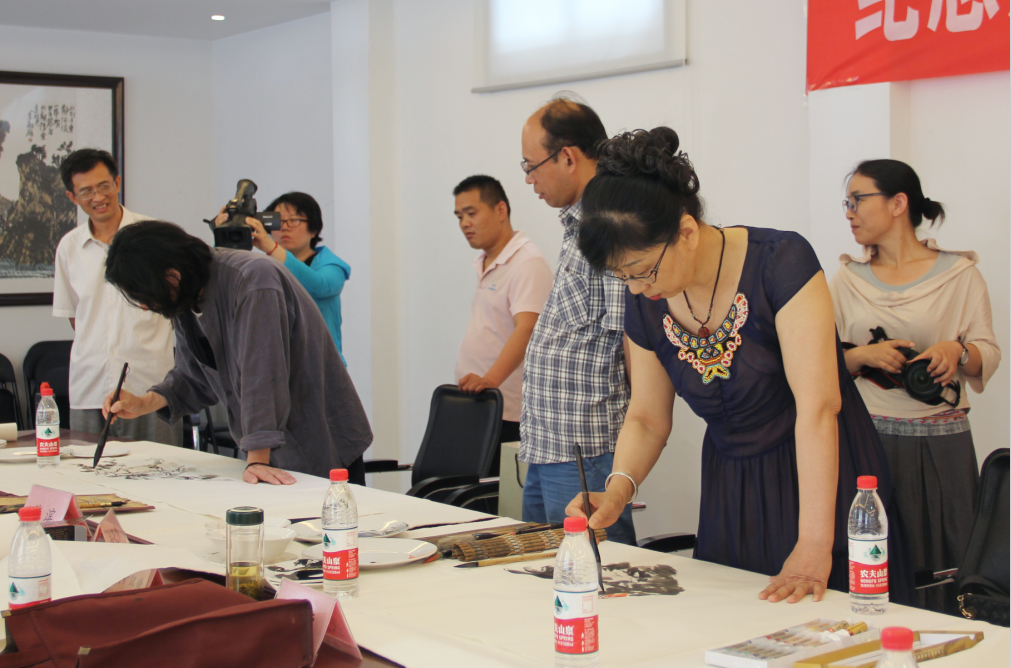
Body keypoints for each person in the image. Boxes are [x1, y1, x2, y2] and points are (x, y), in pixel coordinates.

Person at [567, 127, 913, 604]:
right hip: (733, 492)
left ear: (686, 232)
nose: (636, 288)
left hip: (821, 481)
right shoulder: (645, 299)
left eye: (642, 270)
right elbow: (646, 416)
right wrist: (618, 489)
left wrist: (815, 543)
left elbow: (819, 407)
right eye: (621, 276)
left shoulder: (780, 262)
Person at [829, 159, 1000, 612]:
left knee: (952, 560)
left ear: (898, 203)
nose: (849, 213)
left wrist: (956, 351)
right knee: (873, 560)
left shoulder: (959, 274)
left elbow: (988, 351)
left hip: (943, 444)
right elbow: (817, 359)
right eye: (847, 203)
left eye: (858, 200)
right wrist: (862, 357)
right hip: (868, 440)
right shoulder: (846, 281)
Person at [100, 221, 373, 485]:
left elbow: (263, 373)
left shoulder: (253, 278)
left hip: (319, 442)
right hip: (267, 453)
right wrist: (144, 402)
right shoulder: (188, 294)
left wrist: (257, 459)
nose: (145, 306)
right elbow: (194, 375)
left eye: (143, 295)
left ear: (172, 275)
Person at [519, 97, 636, 546]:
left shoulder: (609, 227)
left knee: (593, 571)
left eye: (531, 166)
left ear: (567, 157)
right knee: (546, 569)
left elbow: (631, 341)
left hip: (585, 448)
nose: (528, 179)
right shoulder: (578, 226)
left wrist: (633, 441)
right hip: (550, 443)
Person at [52, 149, 182, 447]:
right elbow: (75, 316)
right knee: (89, 470)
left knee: (160, 468)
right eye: (86, 191)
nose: (98, 197)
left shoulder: (154, 237)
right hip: (90, 386)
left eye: (104, 186)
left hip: (150, 384)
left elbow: (177, 304)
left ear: (118, 183)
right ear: (73, 197)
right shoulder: (69, 247)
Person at [453, 175, 553, 451]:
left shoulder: (527, 262)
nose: (464, 223)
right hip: (480, 402)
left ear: (500, 210)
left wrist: (490, 380)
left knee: (498, 480)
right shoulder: (486, 261)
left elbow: (527, 328)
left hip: (507, 410)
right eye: (459, 216)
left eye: (471, 213)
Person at [215, 192, 351, 364]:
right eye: (278, 221)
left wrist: (271, 248)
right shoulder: (265, 266)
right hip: (277, 365)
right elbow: (221, 288)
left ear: (314, 229)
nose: (285, 227)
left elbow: (318, 286)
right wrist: (223, 239)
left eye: (294, 220)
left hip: (321, 365)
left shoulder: (332, 265)